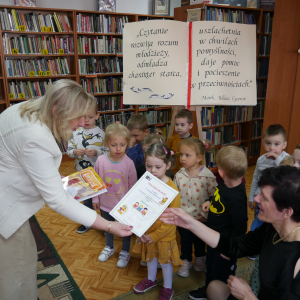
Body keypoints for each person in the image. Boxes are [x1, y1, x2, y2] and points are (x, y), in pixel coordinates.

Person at [0, 79, 132, 300]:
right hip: (5, 210)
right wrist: (108, 225)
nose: (82, 123)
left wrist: (54, 176)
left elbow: (21, 161)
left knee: (23, 258)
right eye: (78, 116)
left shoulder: (25, 108)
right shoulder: (36, 138)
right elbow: (58, 201)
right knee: (19, 272)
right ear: (57, 110)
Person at [161, 166, 300, 300]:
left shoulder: (295, 262)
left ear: (287, 212)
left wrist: (247, 296)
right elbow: (234, 246)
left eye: (264, 197)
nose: (256, 199)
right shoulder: (272, 228)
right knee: (214, 287)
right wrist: (190, 223)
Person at [188, 145, 248, 300]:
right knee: (211, 268)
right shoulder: (225, 184)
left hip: (225, 246)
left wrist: (231, 250)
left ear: (221, 172)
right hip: (214, 238)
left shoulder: (237, 197)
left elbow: (240, 227)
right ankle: (209, 288)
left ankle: (220, 294)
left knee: (222, 274)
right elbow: (217, 196)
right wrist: (209, 201)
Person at [132, 143, 182, 300]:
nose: (152, 171)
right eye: (149, 166)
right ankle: (151, 280)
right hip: (147, 232)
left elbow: (170, 221)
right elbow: (139, 207)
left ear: (167, 165)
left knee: (165, 263)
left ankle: (168, 288)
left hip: (164, 235)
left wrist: (154, 235)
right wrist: (140, 229)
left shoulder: (172, 191)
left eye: (157, 167)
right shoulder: (146, 182)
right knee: (151, 258)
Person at [92, 123, 137, 268]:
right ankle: (109, 247)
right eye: (114, 145)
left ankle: (125, 251)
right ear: (107, 144)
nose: (118, 149)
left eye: (122, 145)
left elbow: (133, 187)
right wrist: (95, 198)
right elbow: (96, 182)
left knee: (125, 230)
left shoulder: (129, 164)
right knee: (108, 227)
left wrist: (131, 206)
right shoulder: (100, 161)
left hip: (123, 207)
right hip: (105, 204)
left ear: (127, 144)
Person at [174, 137, 217, 278]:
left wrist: (210, 202)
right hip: (183, 218)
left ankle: (200, 259)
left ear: (199, 157)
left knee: (199, 241)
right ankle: (185, 261)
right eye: (181, 154)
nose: (182, 158)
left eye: (187, 155)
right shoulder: (179, 175)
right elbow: (174, 195)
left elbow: (214, 195)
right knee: (185, 242)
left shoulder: (207, 176)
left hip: (201, 219)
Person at [66, 99, 108, 234]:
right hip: (81, 171)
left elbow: (108, 152)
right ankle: (88, 221)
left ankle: (105, 222)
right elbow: (69, 151)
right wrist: (74, 152)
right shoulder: (75, 132)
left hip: (99, 172)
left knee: (101, 197)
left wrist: (97, 152)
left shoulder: (102, 134)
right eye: (83, 117)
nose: (86, 120)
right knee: (86, 198)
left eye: (90, 117)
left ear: (97, 115)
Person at [167, 109, 196, 174]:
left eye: (182, 125)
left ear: (190, 126)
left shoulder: (194, 141)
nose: (178, 127)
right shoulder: (171, 140)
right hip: (174, 173)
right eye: (177, 124)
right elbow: (167, 156)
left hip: (189, 174)